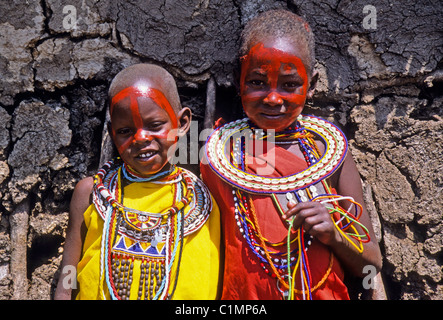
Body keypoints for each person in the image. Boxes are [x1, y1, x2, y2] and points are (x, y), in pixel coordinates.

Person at [201, 9, 382, 300]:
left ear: (311, 83)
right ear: (238, 80)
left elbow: (371, 263)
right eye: (257, 82)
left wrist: (333, 234)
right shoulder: (217, 155)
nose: (273, 98)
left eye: (290, 85)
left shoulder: (329, 153)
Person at [54, 63, 220, 300]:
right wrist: (63, 293)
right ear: (112, 133)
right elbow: (69, 271)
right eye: (125, 131)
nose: (140, 138)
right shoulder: (92, 193)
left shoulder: (202, 197)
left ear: (182, 123)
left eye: (154, 126)